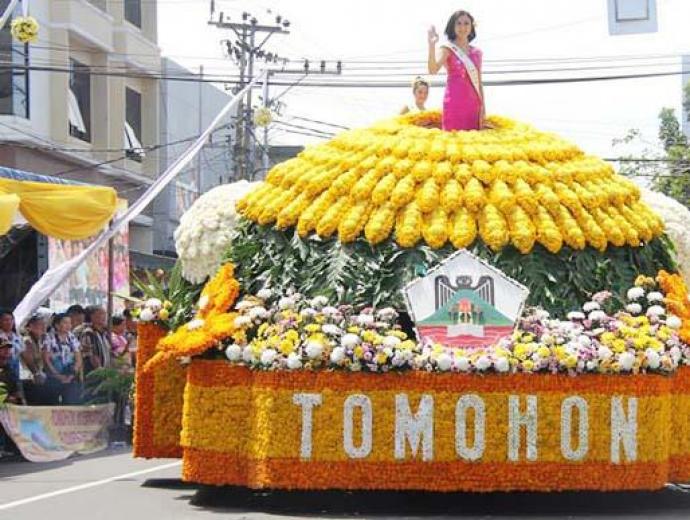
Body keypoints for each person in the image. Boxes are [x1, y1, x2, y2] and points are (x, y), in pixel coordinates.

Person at [427, 10, 486, 131]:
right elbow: (433, 70)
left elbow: (479, 82)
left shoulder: (477, 53)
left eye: (466, 23)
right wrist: (431, 45)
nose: (462, 27)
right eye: (458, 23)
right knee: (453, 140)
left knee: (472, 141)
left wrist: (483, 106)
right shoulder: (447, 49)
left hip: (474, 105)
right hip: (454, 103)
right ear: (452, 26)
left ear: (472, 26)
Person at [43, 313, 83, 405]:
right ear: (57, 325)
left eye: (70, 323)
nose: (68, 325)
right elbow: (46, 359)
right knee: (53, 403)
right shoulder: (48, 337)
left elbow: (78, 357)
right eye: (65, 323)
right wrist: (57, 375)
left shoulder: (72, 337)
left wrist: (73, 373)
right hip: (53, 377)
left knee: (70, 402)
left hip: (70, 375)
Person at [20, 315, 49, 405]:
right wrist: (36, 373)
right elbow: (28, 359)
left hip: (39, 378)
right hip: (28, 378)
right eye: (39, 324)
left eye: (44, 324)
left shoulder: (41, 341)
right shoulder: (26, 340)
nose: (43, 327)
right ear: (30, 327)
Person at [78, 306, 111, 374]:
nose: (104, 317)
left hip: (104, 371)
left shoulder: (104, 333)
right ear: (92, 316)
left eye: (105, 314)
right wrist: (100, 370)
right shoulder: (89, 333)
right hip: (93, 373)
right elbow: (90, 354)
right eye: (101, 313)